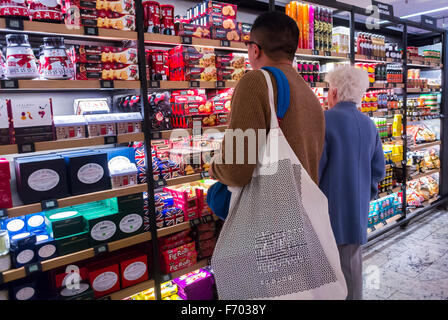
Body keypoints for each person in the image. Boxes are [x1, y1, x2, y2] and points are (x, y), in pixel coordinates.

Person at [209, 11, 325, 186]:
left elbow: (235, 171)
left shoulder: (255, 82)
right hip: (302, 208)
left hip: (269, 210)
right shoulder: (309, 92)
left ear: (255, 50)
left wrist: (213, 166)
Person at [318, 65, 386, 300]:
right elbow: (379, 169)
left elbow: (316, 169)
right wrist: (365, 195)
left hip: (327, 211)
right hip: (356, 212)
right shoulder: (369, 124)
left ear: (334, 92)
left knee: (327, 275)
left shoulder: (324, 121)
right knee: (352, 271)